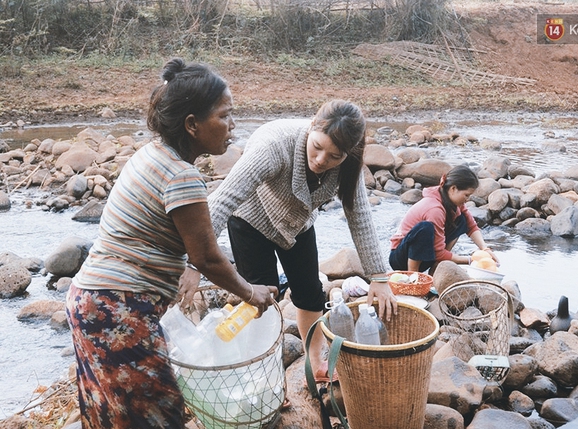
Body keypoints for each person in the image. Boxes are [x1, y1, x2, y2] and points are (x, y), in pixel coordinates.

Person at [65, 58, 277, 429]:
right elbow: (207, 259)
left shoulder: (153, 153)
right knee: (157, 416)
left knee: (111, 417)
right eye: (224, 116)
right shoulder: (182, 176)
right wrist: (250, 293)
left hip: (91, 300)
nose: (232, 126)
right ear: (192, 125)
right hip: (118, 309)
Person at [178, 99, 398, 382]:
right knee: (260, 302)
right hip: (250, 218)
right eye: (317, 147)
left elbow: (360, 215)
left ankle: (315, 359)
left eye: (334, 157)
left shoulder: (349, 162)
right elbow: (222, 201)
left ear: (349, 153)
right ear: (312, 127)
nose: (321, 161)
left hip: (297, 223)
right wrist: (194, 262)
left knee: (310, 293)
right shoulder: (275, 146)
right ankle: (264, 375)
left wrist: (379, 277)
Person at [389, 165, 498, 274]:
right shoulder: (434, 209)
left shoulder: (451, 199)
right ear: (453, 189)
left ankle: (437, 267)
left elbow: (471, 226)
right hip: (401, 258)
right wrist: (472, 260)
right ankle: (413, 275)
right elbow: (438, 252)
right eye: (466, 195)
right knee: (425, 228)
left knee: (462, 220)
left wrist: (485, 249)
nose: (467, 199)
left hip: (426, 255)